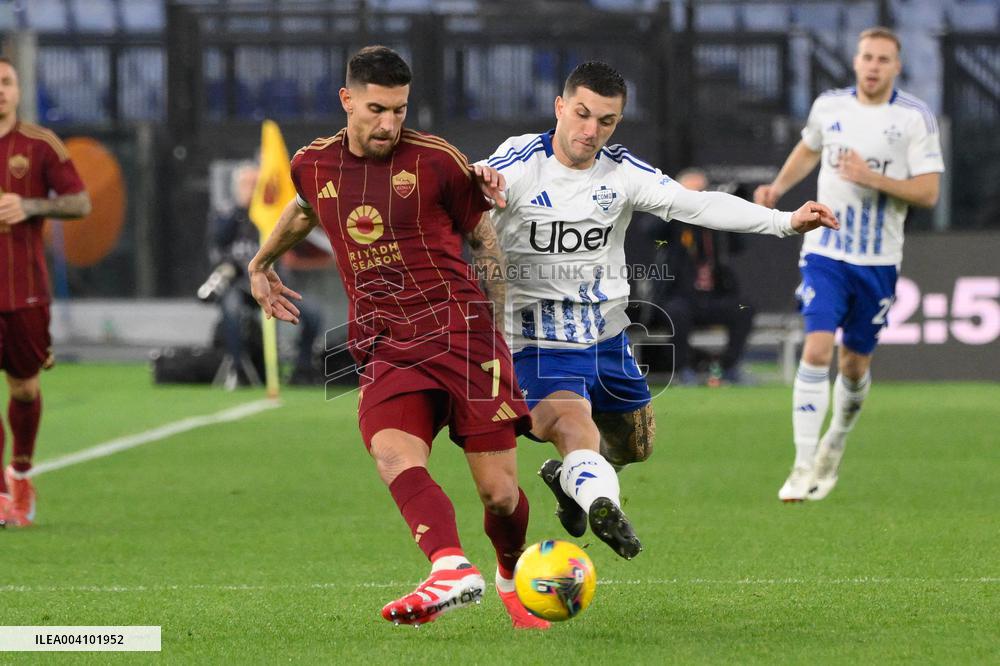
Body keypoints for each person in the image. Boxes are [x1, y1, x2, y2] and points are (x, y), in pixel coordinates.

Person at [478, 61, 838, 558]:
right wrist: (471, 189)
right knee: (574, 426)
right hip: (536, 339)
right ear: (559, 107)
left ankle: (571, 482)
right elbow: (459, 199)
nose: (591, 130)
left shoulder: (622, 172)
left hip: (605, 336)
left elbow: (699, 205)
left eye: (606, 121)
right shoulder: (516, 164)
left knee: (636, 446)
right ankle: (602, 504)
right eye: (582, 114)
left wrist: (784, 221)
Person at [247, 46, 547, 629]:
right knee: (390, 452)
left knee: (500, 495)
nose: (389, 124)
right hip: (386, 342)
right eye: (377, 109)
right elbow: (305, 210)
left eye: (400, 110)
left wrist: (498, 331)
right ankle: (450, 566)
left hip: (462, 334)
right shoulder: (313, 162)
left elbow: (483, 239)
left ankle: (511, 579)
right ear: (347, 100)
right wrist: (261, 263)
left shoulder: (437, 160)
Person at [754, 27, 943, 502]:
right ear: (856, 62)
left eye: (883, 59)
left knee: (854, 366)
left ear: (896, 66)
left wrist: (870, 177)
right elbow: (809, 148)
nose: (873, 66)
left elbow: (928, 192)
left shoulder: (914, 118)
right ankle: (801, 466)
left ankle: (834, 442)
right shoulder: (829, 107)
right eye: (867, 57)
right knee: (817, 348)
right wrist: (778, 187)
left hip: (878, 261)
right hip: (826, 251)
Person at [0, 57, 91, 527]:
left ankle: (20, 474)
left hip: (25, 290)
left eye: (6, 81)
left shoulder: (40, 145)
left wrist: (30, 205)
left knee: (24, 387)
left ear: (18, 89)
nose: (0, 90)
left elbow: (80, 202)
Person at [203, 163, 321, 387]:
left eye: (257, 184)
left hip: (273, 284)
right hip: (239, 285)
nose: (253, 189)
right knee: (232, 310)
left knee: (313, 314)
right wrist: (242, 209)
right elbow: (219, 238)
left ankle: (302, 369)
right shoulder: (225, 213)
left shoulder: (273, 214)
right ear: (237, 187)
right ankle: (238, 370)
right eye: (248, 184)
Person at [655, 168, 754, 385]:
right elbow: (650, 230)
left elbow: (738, 245)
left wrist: (731, 208)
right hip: (680, 297)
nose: (698, 199)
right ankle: (683, 370)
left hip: (712, 298)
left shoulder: (714, 223)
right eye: (692, 193)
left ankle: (728, 368)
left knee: (744, 308)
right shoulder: (671, 221)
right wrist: (680, 205)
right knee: (677, 312)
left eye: (702, 192)